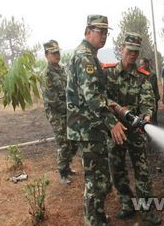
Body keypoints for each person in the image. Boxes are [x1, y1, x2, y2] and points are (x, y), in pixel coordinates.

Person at [66, 15, 126, 226]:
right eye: (99, 31)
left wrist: (114, 106)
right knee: (95, 180)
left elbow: (95, 94)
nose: (103, 36)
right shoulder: (85, 57)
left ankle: (98, 216)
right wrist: (112, 123)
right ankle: (93, 221)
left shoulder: (90, 56)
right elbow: (91, 98)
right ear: (87, 31)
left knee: (100, 178)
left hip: (90, 127)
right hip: (87, 129)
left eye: (106, 32)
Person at [103, 33, 161, 225]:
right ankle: (127, 204)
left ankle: (147, 210)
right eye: (130, 51)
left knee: (142, 171)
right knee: (117, 169)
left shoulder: (144, 77)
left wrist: (146, 116)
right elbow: (101, 99)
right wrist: (115, 118)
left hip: (136, 132)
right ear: (122, 49)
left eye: (136, 52)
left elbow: (147, 100)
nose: (133, 55)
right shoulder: (109, 73)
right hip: (116, 130)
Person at [41, 40, 78, 185]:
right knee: (63, 143)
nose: (57, 55)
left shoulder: (63, 70)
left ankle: (67, 167)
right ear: (46, 55)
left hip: (68, 111)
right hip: (57, 115)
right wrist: (71, 109)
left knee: (73, 141)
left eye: (58, 52)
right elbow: (53, 101)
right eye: (53, 53)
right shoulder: (47, 75)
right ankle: (62, 172)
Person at [139, 57, 160, 124]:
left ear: (147, 64)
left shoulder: (152, 75)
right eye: (140, 65)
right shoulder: (141, 75)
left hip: (152, 101)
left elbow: (150, 87)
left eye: (142, 64)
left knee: (153, 120)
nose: (141, 66)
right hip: (144, 102)